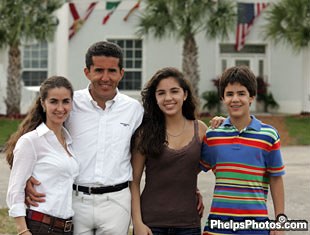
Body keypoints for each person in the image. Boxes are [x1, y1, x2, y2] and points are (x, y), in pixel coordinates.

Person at [26, 41, 144, 235]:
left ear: (121, 73)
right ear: (87, 72)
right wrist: (26, 177)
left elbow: (158, 144)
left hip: (116, 202)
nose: (105, 78)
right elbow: (33, 139)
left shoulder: (134, 109)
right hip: (74, 199)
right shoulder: (70, 104)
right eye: (98, 70)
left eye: (112, 71)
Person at [200, 65, 285, 235]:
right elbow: (190, 169)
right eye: (229, 94)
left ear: (252, 97)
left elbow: (276, 179)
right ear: (223, 98)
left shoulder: (268, 135)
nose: (235, 99)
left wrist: (280, 221)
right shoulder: (213, 134)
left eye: (241, 93)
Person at [130, 67, 208, 235]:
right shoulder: (145, 133)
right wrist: (137, 223)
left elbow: (203, 166)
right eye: (161, 93)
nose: (168, 98)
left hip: (189, 224)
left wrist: (223, 122)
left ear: (185, 95)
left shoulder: (200, 130)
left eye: (174, 91)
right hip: (151, 224)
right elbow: (134, 182)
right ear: (155, 98)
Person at [6, 76, 78, 235]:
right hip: (41, 227)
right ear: (43, 104)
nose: (60, 108)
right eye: (54, 101)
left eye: (66, 101)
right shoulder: (31, 141)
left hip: (67, 228)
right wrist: (23, 231)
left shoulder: (69, 142)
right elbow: (14, 190)